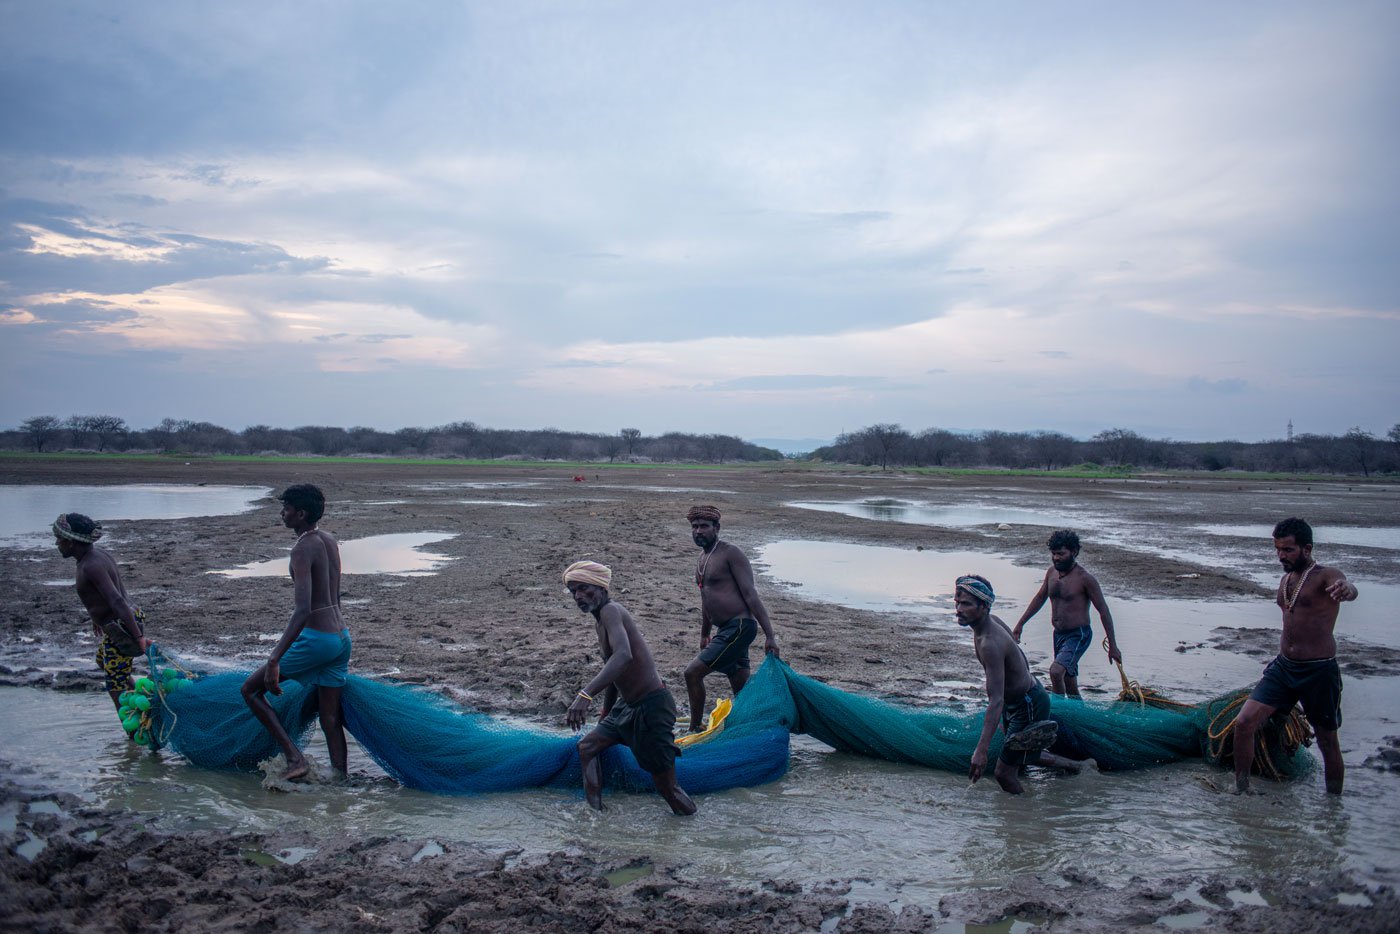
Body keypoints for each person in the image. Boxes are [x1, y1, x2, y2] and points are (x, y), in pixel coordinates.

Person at [1232, 518, 1357, 795]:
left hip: (1318, 672)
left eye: (1288, 550)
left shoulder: (1326, 575)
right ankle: (1241, 790)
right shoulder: (1286, 579)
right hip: (1284, 668)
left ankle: (1333, 806)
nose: (1281, 556)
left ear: (1307, 548)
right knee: (1244, 723)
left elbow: (1347, 587)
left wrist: (1348, 590)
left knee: (1327, 741)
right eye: (1278, 549)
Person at [564, 560, 696, 815]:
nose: (578, 596)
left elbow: (624, 656)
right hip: (626, 707)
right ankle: (596, 815)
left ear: (601, 588)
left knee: (668, 788)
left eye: (583, 588)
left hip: (652, 708)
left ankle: (695, 833)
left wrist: (585, 695)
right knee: (587, 748)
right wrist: (606, 713)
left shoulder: (611, 611)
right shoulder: (599, 620)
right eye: (573, 591)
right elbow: (615, 670)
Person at [240, 484, 351, 781]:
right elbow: (335, 598)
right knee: (330, 718)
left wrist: (275, 658)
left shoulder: (302, 548)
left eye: (286, 509)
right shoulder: (328, 540)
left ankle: (295, 758)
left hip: (318, 640)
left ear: (300, 514)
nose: (282, 514)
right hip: (341, 638)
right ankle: (340, 778)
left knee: (250, 690)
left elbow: (302, 610)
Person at [959, 574, 1092, 794]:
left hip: (1028, 702)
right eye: (957, 602)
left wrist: (981, 751)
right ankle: (1078, 767)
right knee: (1017, 750)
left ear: (983, 606)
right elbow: (1020, 655)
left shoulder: (989, 643)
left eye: (965, 604)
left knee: (1004, 773)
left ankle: (1029, 822)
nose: (959, 609)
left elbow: (996, 700)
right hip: (1022, 699)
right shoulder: (988, 624)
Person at [684, 505, 779, 732]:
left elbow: (750, 595)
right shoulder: (702, 559)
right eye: (694, 527)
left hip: (739, 627)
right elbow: (706, 600)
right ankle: (754, 726)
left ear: (716, 528)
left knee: (692, 673)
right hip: (724, 629)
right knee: (741, 686)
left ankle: (694, 729)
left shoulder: (730, 553)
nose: (698, 531)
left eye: (704, 527)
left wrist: (770, 636)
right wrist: (705, 633)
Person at [54, 513, 153, 715]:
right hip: (120, 622)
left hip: (122, 628)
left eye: (60, 539)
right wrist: (96, 618)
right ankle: (138, 697)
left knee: (115, 686)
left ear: (71, 542)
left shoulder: (91, 566)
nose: (57, 543)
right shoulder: (97, 555)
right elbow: (100, 596)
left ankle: (135, 733)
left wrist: (139, 637)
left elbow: (116, 599)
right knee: (103, 662)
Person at [1011, 530, 1122, 697]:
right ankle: (1078, 715)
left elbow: (1104, 611)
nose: (1056, 558)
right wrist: (1020, 624)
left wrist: (1113, 645)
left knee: (1056, 672)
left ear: (1074, 552)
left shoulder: (1085, 579)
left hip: (1078, 635)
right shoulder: (1051, 573)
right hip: (1059, 634)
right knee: (1069, 682)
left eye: (1061, 554)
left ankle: (1060, 715)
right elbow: (1040, 598)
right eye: (1053, 554)